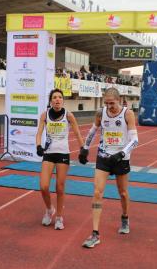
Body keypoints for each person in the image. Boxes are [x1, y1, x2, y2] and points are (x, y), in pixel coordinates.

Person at [78, 87, 139, 248]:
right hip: (104, 156)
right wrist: (85, 148)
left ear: (119, 100)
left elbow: (135, 140)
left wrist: (121, 153)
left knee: (123, 193)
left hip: (121, 159)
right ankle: (95, 233)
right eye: (106, 103)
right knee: (97, 192)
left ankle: (125, 217)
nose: (109, 106)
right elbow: (92, 131)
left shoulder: (128, 114)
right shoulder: (101, 113)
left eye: (111, 103)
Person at [35, 89, 85, 230]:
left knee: (59, 187)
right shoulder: (44, 115)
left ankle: (59, 217)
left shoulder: (69, 115)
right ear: (51, 101)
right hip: (49, 153)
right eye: (55, 97)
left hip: (63, 153)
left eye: (60, 97)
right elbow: (39, 133)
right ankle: (50, 209)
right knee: (43, 186)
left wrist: (83, 149)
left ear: (63, 100)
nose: (57, 100)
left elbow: (77, 133)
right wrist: (38, 146)